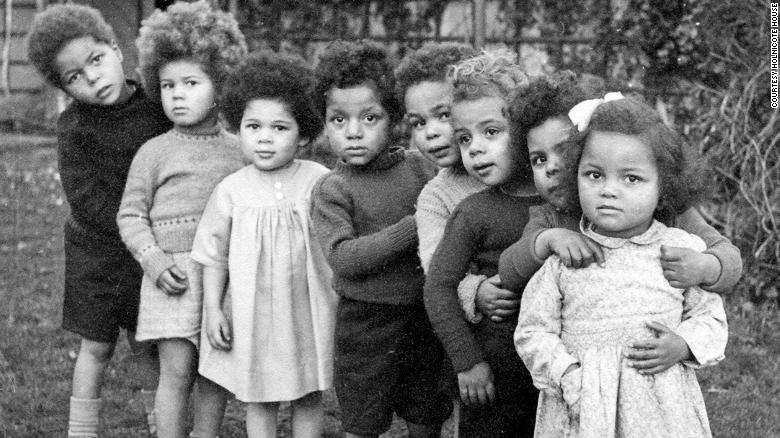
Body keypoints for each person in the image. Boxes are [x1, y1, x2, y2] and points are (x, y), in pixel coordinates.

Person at [514, 96, 729, 438]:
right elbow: (532, 331)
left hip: (660, 405)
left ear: (663, 188)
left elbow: (710, 316)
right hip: (583, 403)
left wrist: (684, 344)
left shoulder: (679, 250)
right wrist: (567, 374)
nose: (609, 191)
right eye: (595, 175)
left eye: (631, 179)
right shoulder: (568, 256)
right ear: (575, 177)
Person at [27, 4, 170, 436]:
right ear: (65, 88)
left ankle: (162, 426)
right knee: (96, 347)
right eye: (74, 77)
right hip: (99, 254)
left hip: (148, 253)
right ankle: (80, 430)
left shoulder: (155, 105)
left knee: (146, 344)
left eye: (95, 60)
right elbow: (84, 197)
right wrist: (134, 227)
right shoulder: (73, 127)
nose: (91, 78)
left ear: (116, 50)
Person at [190, 51, 338, 438]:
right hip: (252, 312)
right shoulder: (231, 190)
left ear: (304, 133)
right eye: (253, 126)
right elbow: (213, 255)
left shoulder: (318, 180)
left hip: (306, 308)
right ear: (238, 129)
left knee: (307, 393)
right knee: (260, 397)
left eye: (279, 128)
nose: (265, 138)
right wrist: (212, 310)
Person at [310, 40, 452, 438]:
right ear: (324, 123)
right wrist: (415, 224)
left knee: (426, 415)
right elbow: (345, 258)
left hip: (422, 315)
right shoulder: (332, 188)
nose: (353, 133)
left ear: (393, 119)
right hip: (365, 325)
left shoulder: (420, 170)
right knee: (363, 420)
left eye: (369, 118)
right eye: (339, 120)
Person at [116, 2, 246, 437]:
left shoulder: (240, 150)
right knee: (176, 371)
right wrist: (153, 260)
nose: (177, 93)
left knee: (214, 370)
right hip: (172, 278)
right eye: (168, 84)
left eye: (191, 82)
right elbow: (131, 215)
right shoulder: (153, 152)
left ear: (220, 84)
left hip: (224, 278)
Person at [498, 74, 742, 295]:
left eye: (563, 150)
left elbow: (729, 258)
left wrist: (708, 267)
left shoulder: (661, 207)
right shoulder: (550, 219)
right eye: (539, 159)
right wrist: (546, 240)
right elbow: (508, 272)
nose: (551, 167)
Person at [423, 49, 539, 438]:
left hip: (559, 369)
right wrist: (467, 362)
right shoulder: (473, 212)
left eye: (491, 132)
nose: (474, 148)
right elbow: (437, 287)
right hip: (496, 371)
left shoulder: (562, 200)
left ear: (524, 128)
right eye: (465, 137)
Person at [395, 42, 506, 325]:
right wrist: (474, 290)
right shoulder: (436, 196)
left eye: (443, 115)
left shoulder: (517, 170)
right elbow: (436, 267)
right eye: (418, 123)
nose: (431, 132)